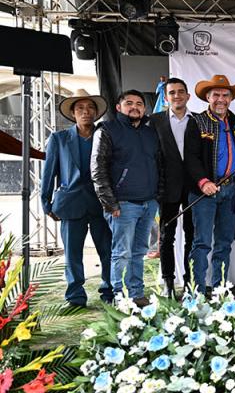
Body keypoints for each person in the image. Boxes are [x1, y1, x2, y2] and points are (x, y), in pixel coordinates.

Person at [41, 89, 113, 307]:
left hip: (102, 203)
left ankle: (109, 291)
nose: (86, 112)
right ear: (73, 113)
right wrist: (46, 204)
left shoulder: (106, 135)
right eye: (80, 108)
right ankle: (75, 296)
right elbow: (49, 172)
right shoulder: (59, 139)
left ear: (96, 112)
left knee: (107, 250)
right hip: (70, 203)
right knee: (72, 254)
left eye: (90, 107)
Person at [91, 89, 161, 307]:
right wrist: (109, 203)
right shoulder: (107, 130)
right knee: (122, 253)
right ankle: (120, 297)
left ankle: (136, 293)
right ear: (119, 107)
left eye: (139, 103)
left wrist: (156, 198)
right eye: (129, 103)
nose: (135, 107)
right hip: (122, 205)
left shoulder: (150, 133)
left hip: (148, 203)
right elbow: (97, 168)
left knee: (139, 252)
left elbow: (158, 164)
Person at [184, 75, 235, 295]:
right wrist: (203, 181)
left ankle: (219, 290)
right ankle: (197, 291)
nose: (221, 99)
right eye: (216, 95)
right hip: (204, 192)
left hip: (231, 190)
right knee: (201, 244)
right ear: (208, 97)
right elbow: (190, 157)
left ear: (230, 98)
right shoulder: (197, 121)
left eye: (225, 95)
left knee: (224, 244)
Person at [150, 77, 195, 299]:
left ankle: (189, 282)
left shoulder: (197, 121)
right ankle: (168, 281)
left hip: (194, 188)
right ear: (166, 97)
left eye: (181, 91)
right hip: (166, 188)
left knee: (192, 236)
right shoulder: (154, 121)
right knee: (167, 237)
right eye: (172, 92)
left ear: (188, 96)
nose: (176, 96)